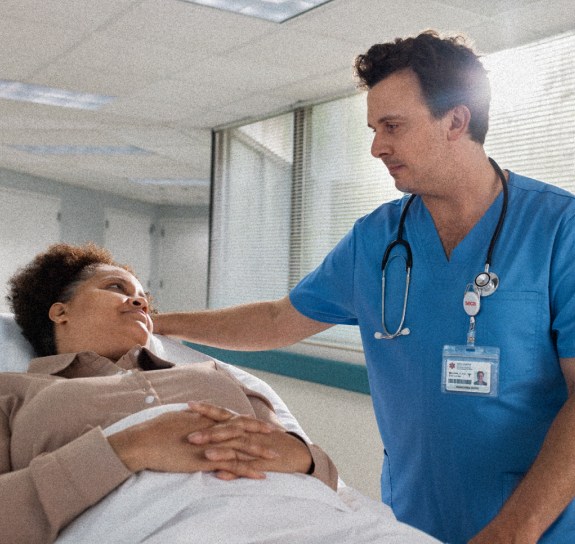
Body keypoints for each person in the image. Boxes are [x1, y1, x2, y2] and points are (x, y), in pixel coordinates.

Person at [152, 30, 575, 544]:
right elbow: (277, 320)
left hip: (540, 527)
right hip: (412, 520)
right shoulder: (376, 239)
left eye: (392, 126)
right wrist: (159, 323)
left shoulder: (559, 230)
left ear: (457, 121)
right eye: (374, 129)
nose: (377, 147)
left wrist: (515, 530)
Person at [0, 243, 338, 544]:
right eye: (116, 288)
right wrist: (127, 449)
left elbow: (326, 479)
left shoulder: (215, 376)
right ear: (61, 311)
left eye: (144, 299)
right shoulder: (16, 394)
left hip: (301, 520)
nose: (139, 302)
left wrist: (303, 458)